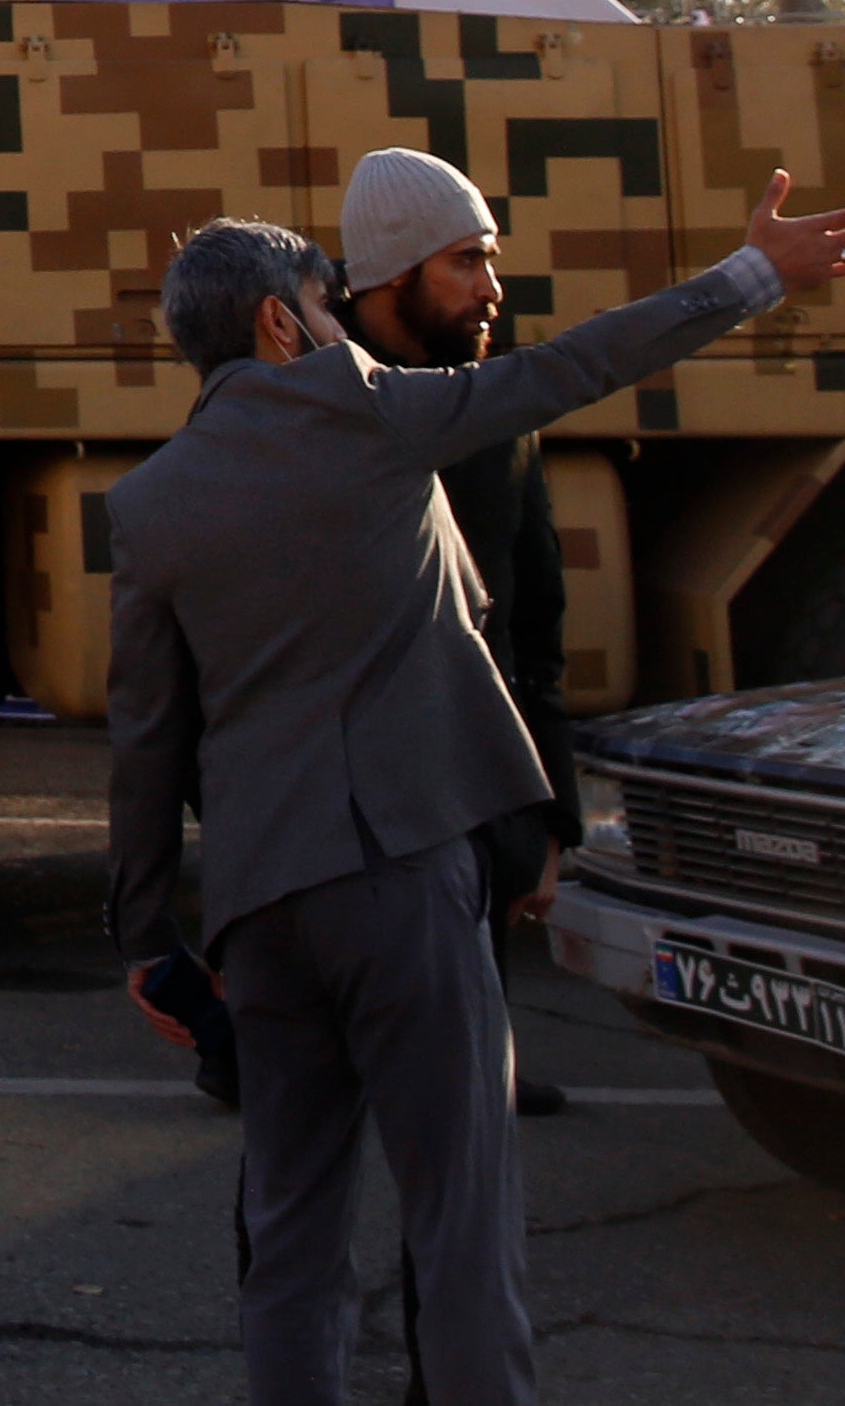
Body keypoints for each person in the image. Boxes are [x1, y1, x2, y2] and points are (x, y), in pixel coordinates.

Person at [108, 175, 845, 1406]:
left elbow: (148, 740)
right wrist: (751, 278)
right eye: (321, 304)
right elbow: (579, 365)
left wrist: (150, 939)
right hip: (403, 876)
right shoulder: (366, 410)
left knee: (291, 1231)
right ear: (277, 322)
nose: (335, 326)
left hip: (260, 906)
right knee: (460, 1227)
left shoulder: (149, 505)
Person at [333, 148, 582, 1122]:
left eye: (491, 260)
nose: (493, 291)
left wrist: (548, 821)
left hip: (466, 775)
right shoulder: (316, 404)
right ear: (396, 274)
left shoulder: (497, 415)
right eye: (466, 263)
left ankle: (486, 1055)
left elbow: (533, 620)